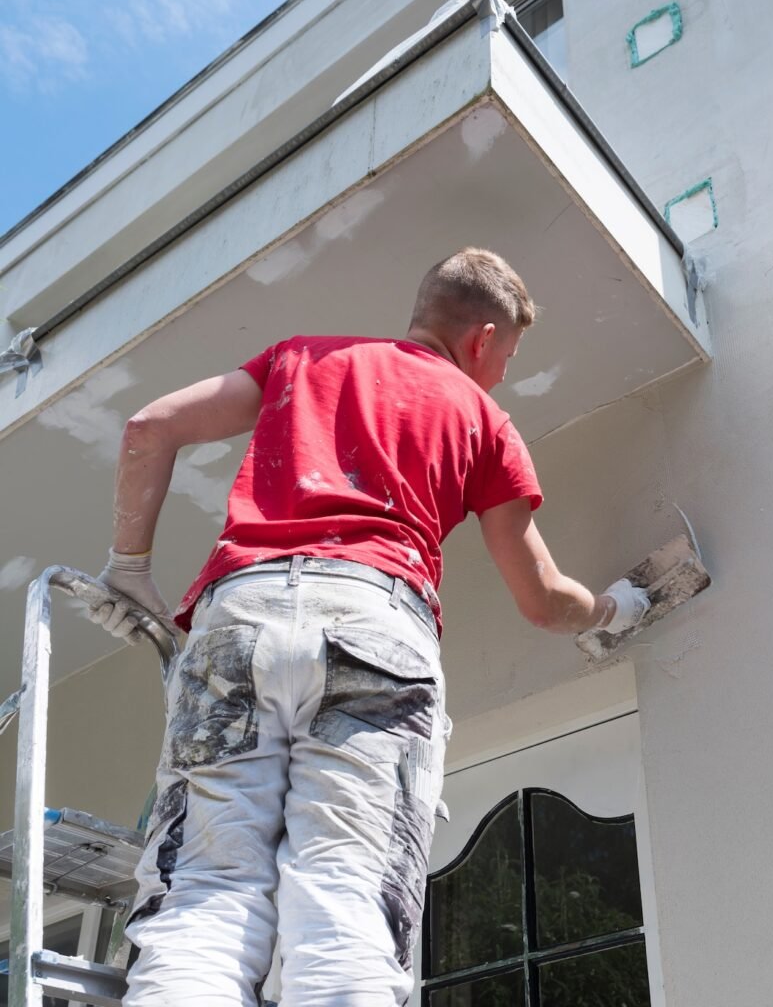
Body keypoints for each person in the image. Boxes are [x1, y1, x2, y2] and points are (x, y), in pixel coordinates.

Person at [89, 247, 650, 1006]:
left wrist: (129, 565)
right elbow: (542, 598)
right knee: (344, 900)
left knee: (207, 893)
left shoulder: (303, 360)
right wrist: (617, 608)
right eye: (509, 355)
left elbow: (150, 426)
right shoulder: (484, 419)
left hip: (240, 618)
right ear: (483, 339)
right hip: (376, 625)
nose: (504, 373)